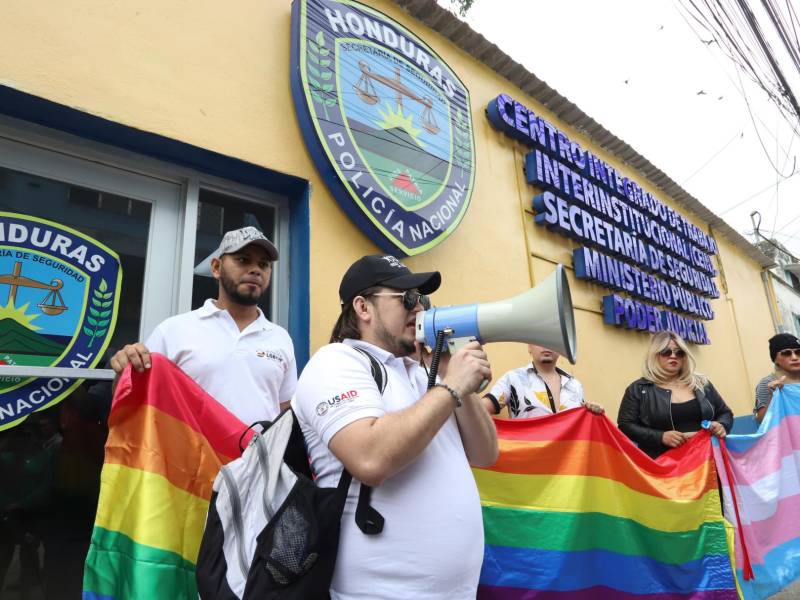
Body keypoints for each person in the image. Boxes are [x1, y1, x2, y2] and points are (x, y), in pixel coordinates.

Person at [291, 254, 498, 599]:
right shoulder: (335, 362)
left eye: (424, 300)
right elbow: (370, 459)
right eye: (407, 298)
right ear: (363, 308)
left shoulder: (423, 376)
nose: (420, 309)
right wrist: (452, 387)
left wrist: (451, 376)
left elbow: (485, 453)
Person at [110, 226, 297, 425]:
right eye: (243, 260)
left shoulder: (280, 338)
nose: (255, 270)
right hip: (188, 454)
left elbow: (284, 410)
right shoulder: (174, 331)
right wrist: (124, 371)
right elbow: (133, 399)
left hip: (261, 456)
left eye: (263, 264)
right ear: (216, 268)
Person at [618, 331, 733, 459]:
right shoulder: (639, 389)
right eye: (666, 352)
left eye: (679, 352)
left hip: (707, 461)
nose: (673, 356)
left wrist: (722, 425)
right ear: (655, 355)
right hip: (665, 466)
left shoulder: (701, 384)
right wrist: (661, 437)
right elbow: (625, 425)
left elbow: (725, 413)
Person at [482, 344, 603, 417]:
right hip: (528, 457)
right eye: (540, 340)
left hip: (568, 459)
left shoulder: (576, 385)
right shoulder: (513, 378)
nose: (546, 345)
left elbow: (582, 428)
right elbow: (481, 410)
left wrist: (594, 413)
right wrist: (464, 390)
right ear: (529, 346)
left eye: (551, 340)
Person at [754, 332, 800, 424]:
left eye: (798, 352)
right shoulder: (768, 383)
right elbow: (762, 421)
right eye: (786, 353)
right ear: (775, 359)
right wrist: (772, 396)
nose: (794, 357)